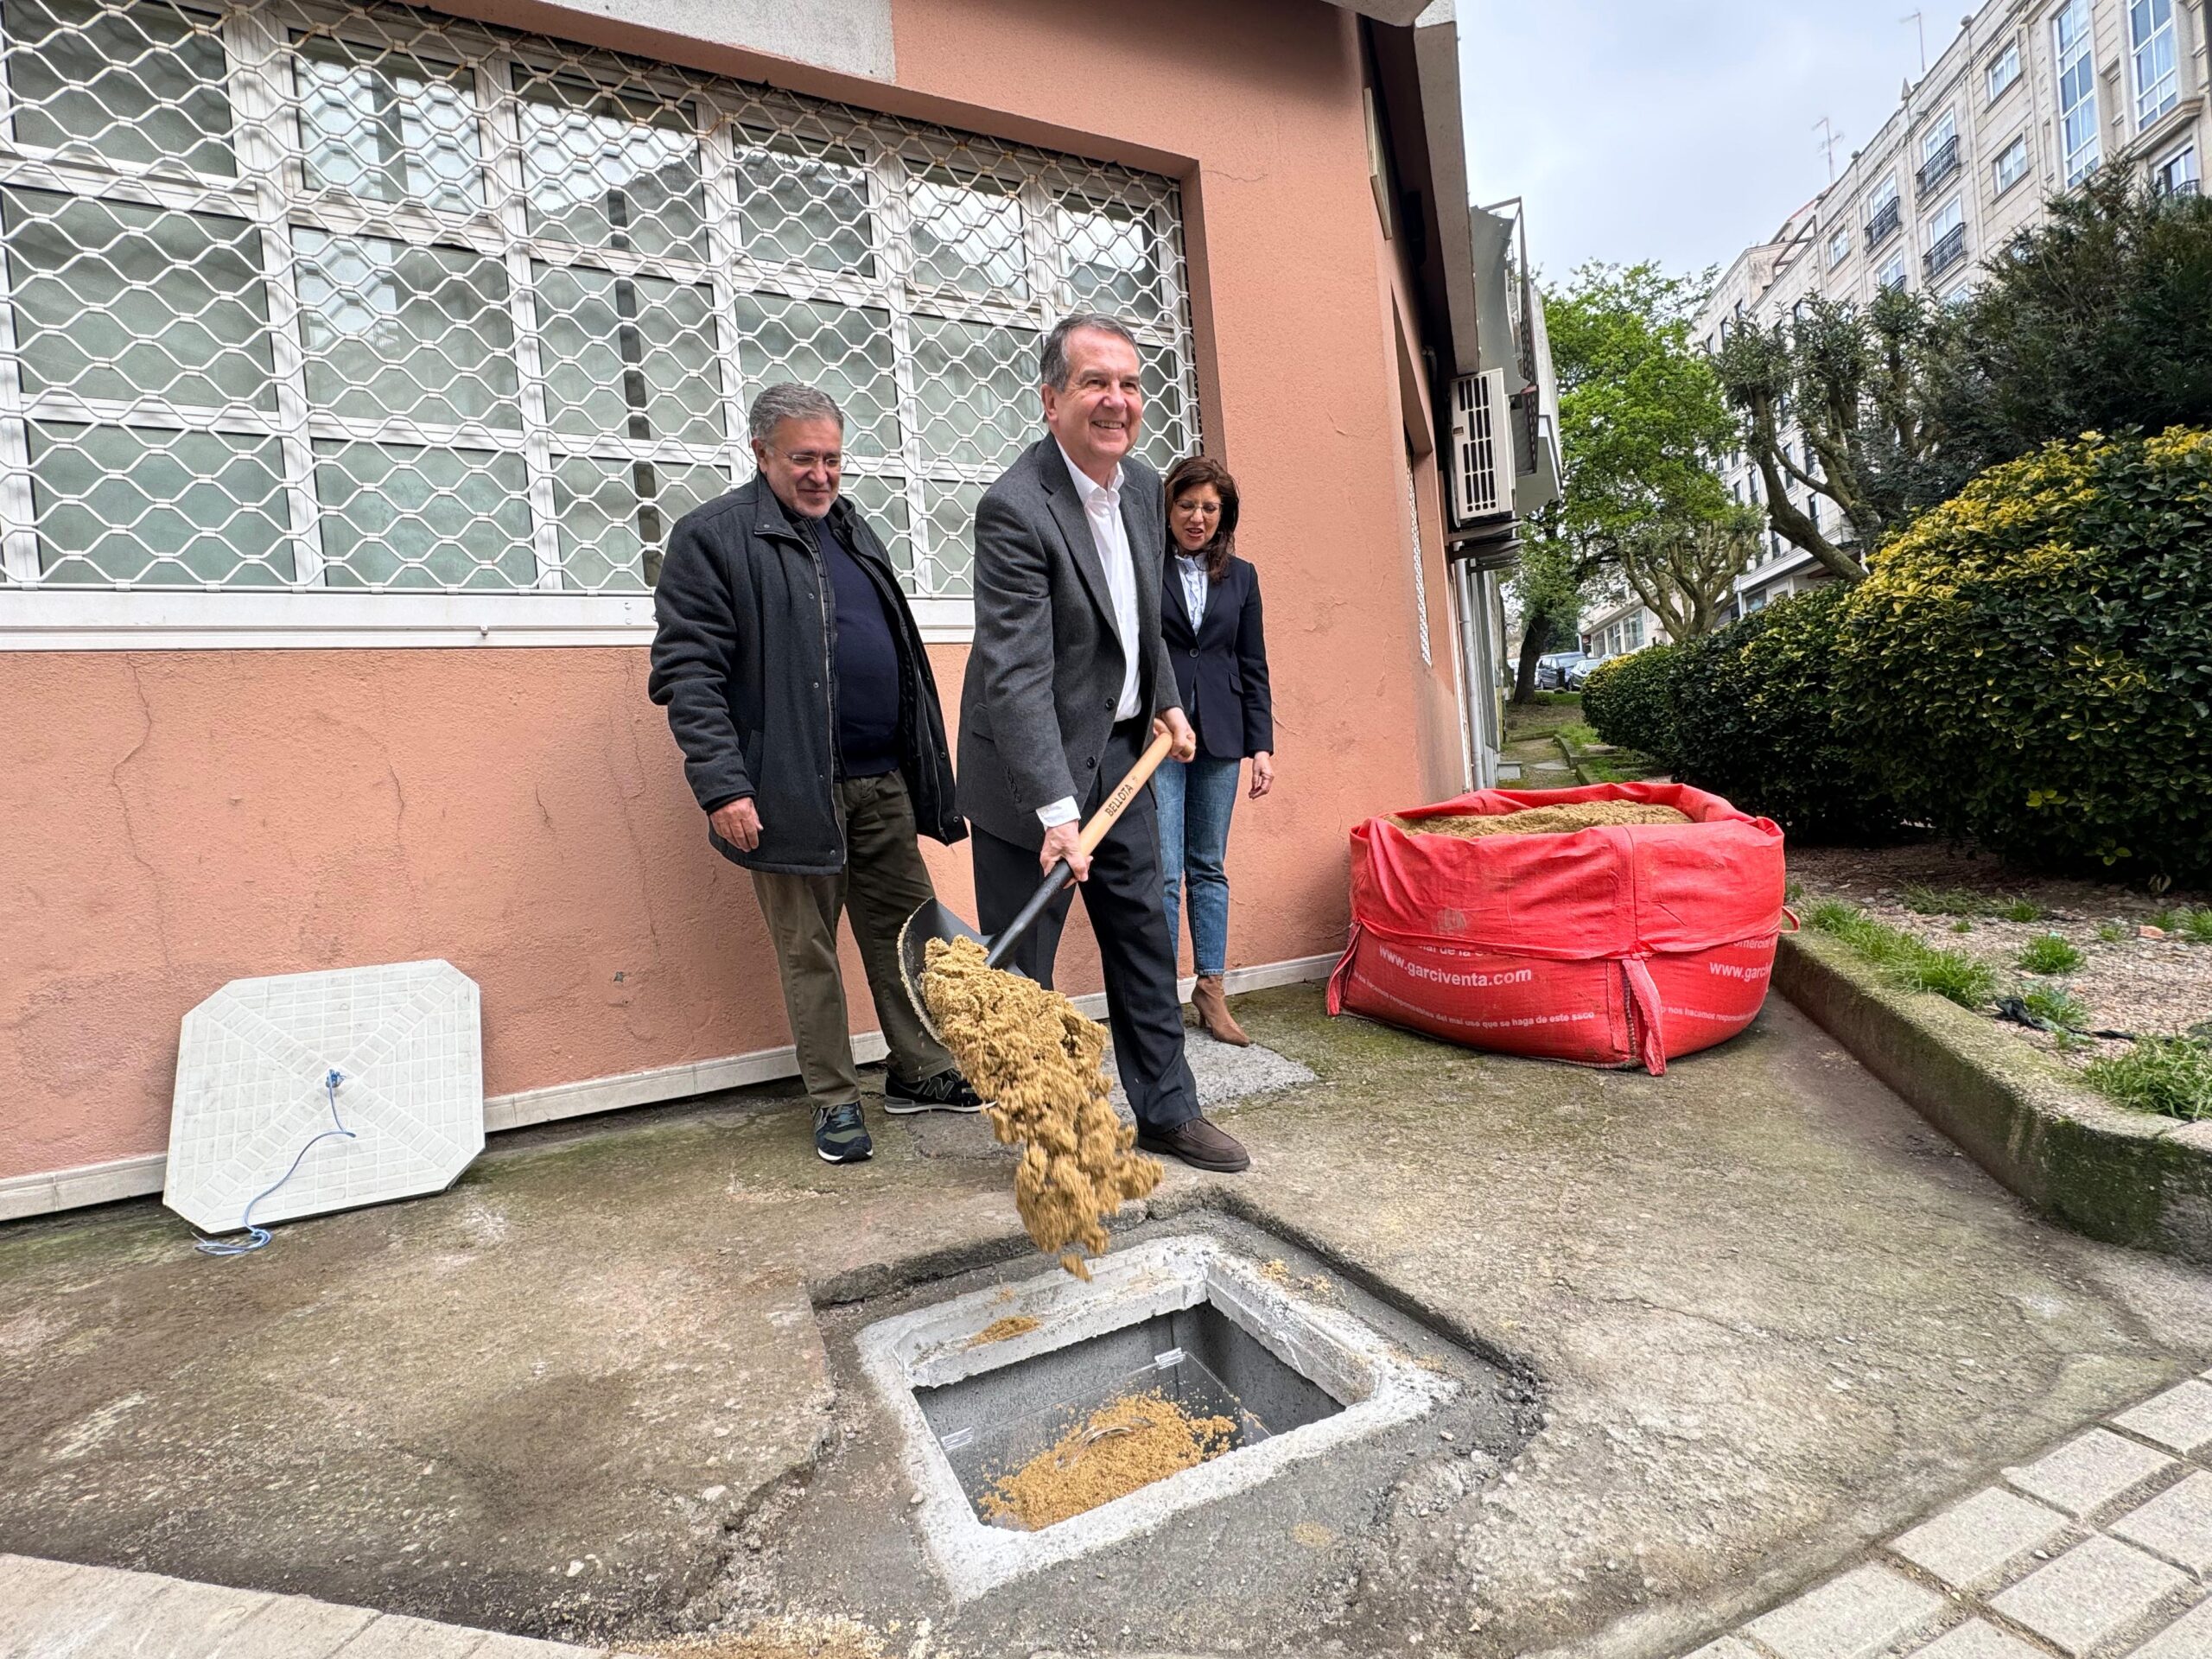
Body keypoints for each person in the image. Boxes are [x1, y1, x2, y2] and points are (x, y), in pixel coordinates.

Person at [649, 383, 983, 1166]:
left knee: (909, 936)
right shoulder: (714, 539)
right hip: (789, 790)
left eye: (832, 458)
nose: (822, 474)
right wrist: (724, 785)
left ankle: (920, 1068)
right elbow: (688, 673)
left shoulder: (851, 529)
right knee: (809, 952)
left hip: (881, 779)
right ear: (761, 453)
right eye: (803, 458)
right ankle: (835, 1100)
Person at [957, 313, 1251, 1174]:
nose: (1115, 400)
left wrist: (1164, 704)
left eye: (1127, 383)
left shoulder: (1143, 487)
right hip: (1027, 772)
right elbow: (1013, 674)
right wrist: (1054, 809)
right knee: (1025, 972)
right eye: (1094, 383)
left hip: (1122, 757)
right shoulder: (1014, 509)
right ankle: (1043, 1134)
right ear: (1051, 399)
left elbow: (1141, 622)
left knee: (1142, 939)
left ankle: (1166, 1111)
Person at [1156, 455, 1274, 1047]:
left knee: (1208, 865)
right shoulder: (1144, 567)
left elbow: (1253, 665)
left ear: (1223, 516)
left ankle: (1211, 988)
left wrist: (1261, 747)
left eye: (1209, 508)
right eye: (1187, 505)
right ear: (1168, 507)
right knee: (1164, 869)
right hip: (1160, 739)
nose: (1197, 518)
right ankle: (1154, 993)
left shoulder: (1243, 576)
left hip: (1224, 736)